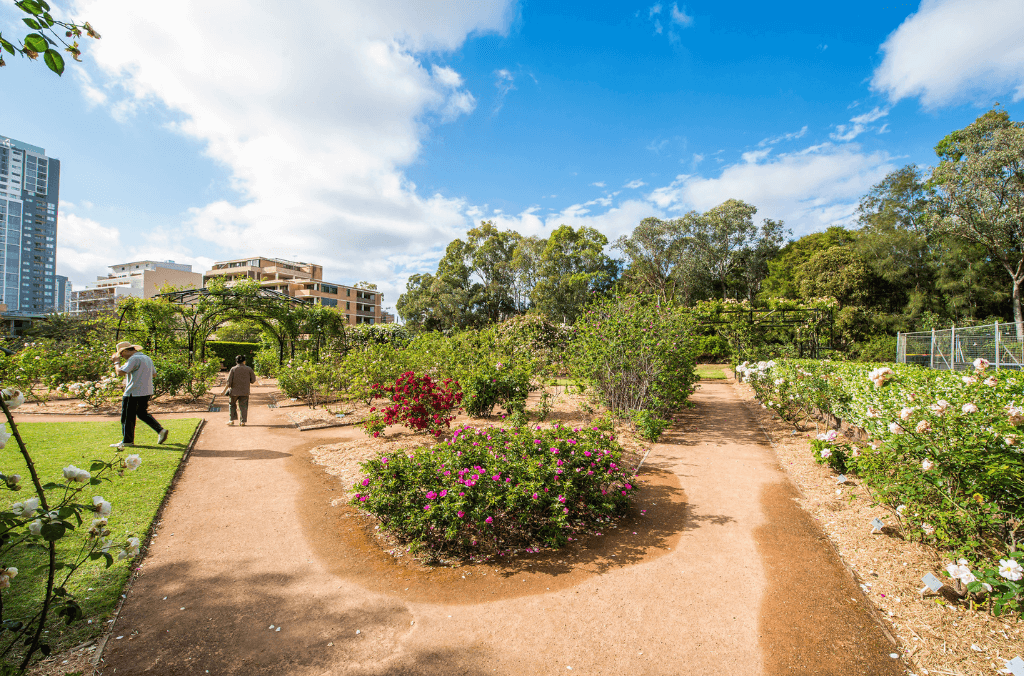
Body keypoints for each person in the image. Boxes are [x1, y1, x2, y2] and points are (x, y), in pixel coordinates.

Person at [110, 341, 169, 449]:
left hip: (133, 392)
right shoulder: (147, 358)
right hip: (146, 391)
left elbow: (120, 372)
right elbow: (154, 374)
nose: (122, 357)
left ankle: (127, 441)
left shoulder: (133, 359)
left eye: (122, 354)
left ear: (127, 351)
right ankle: (160, 430)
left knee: (127, 417)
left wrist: (116, 362)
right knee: (142, 413)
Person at [224, 355, 256, 426]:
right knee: (243, 406)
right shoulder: (249, 369)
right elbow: (253, 380)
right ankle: (242, 421)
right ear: (244, 361)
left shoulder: (233, 369)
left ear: (236, 361)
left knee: (232, 405)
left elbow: (229, 382)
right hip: (245, 391)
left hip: (234, 392)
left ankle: (231, 420)